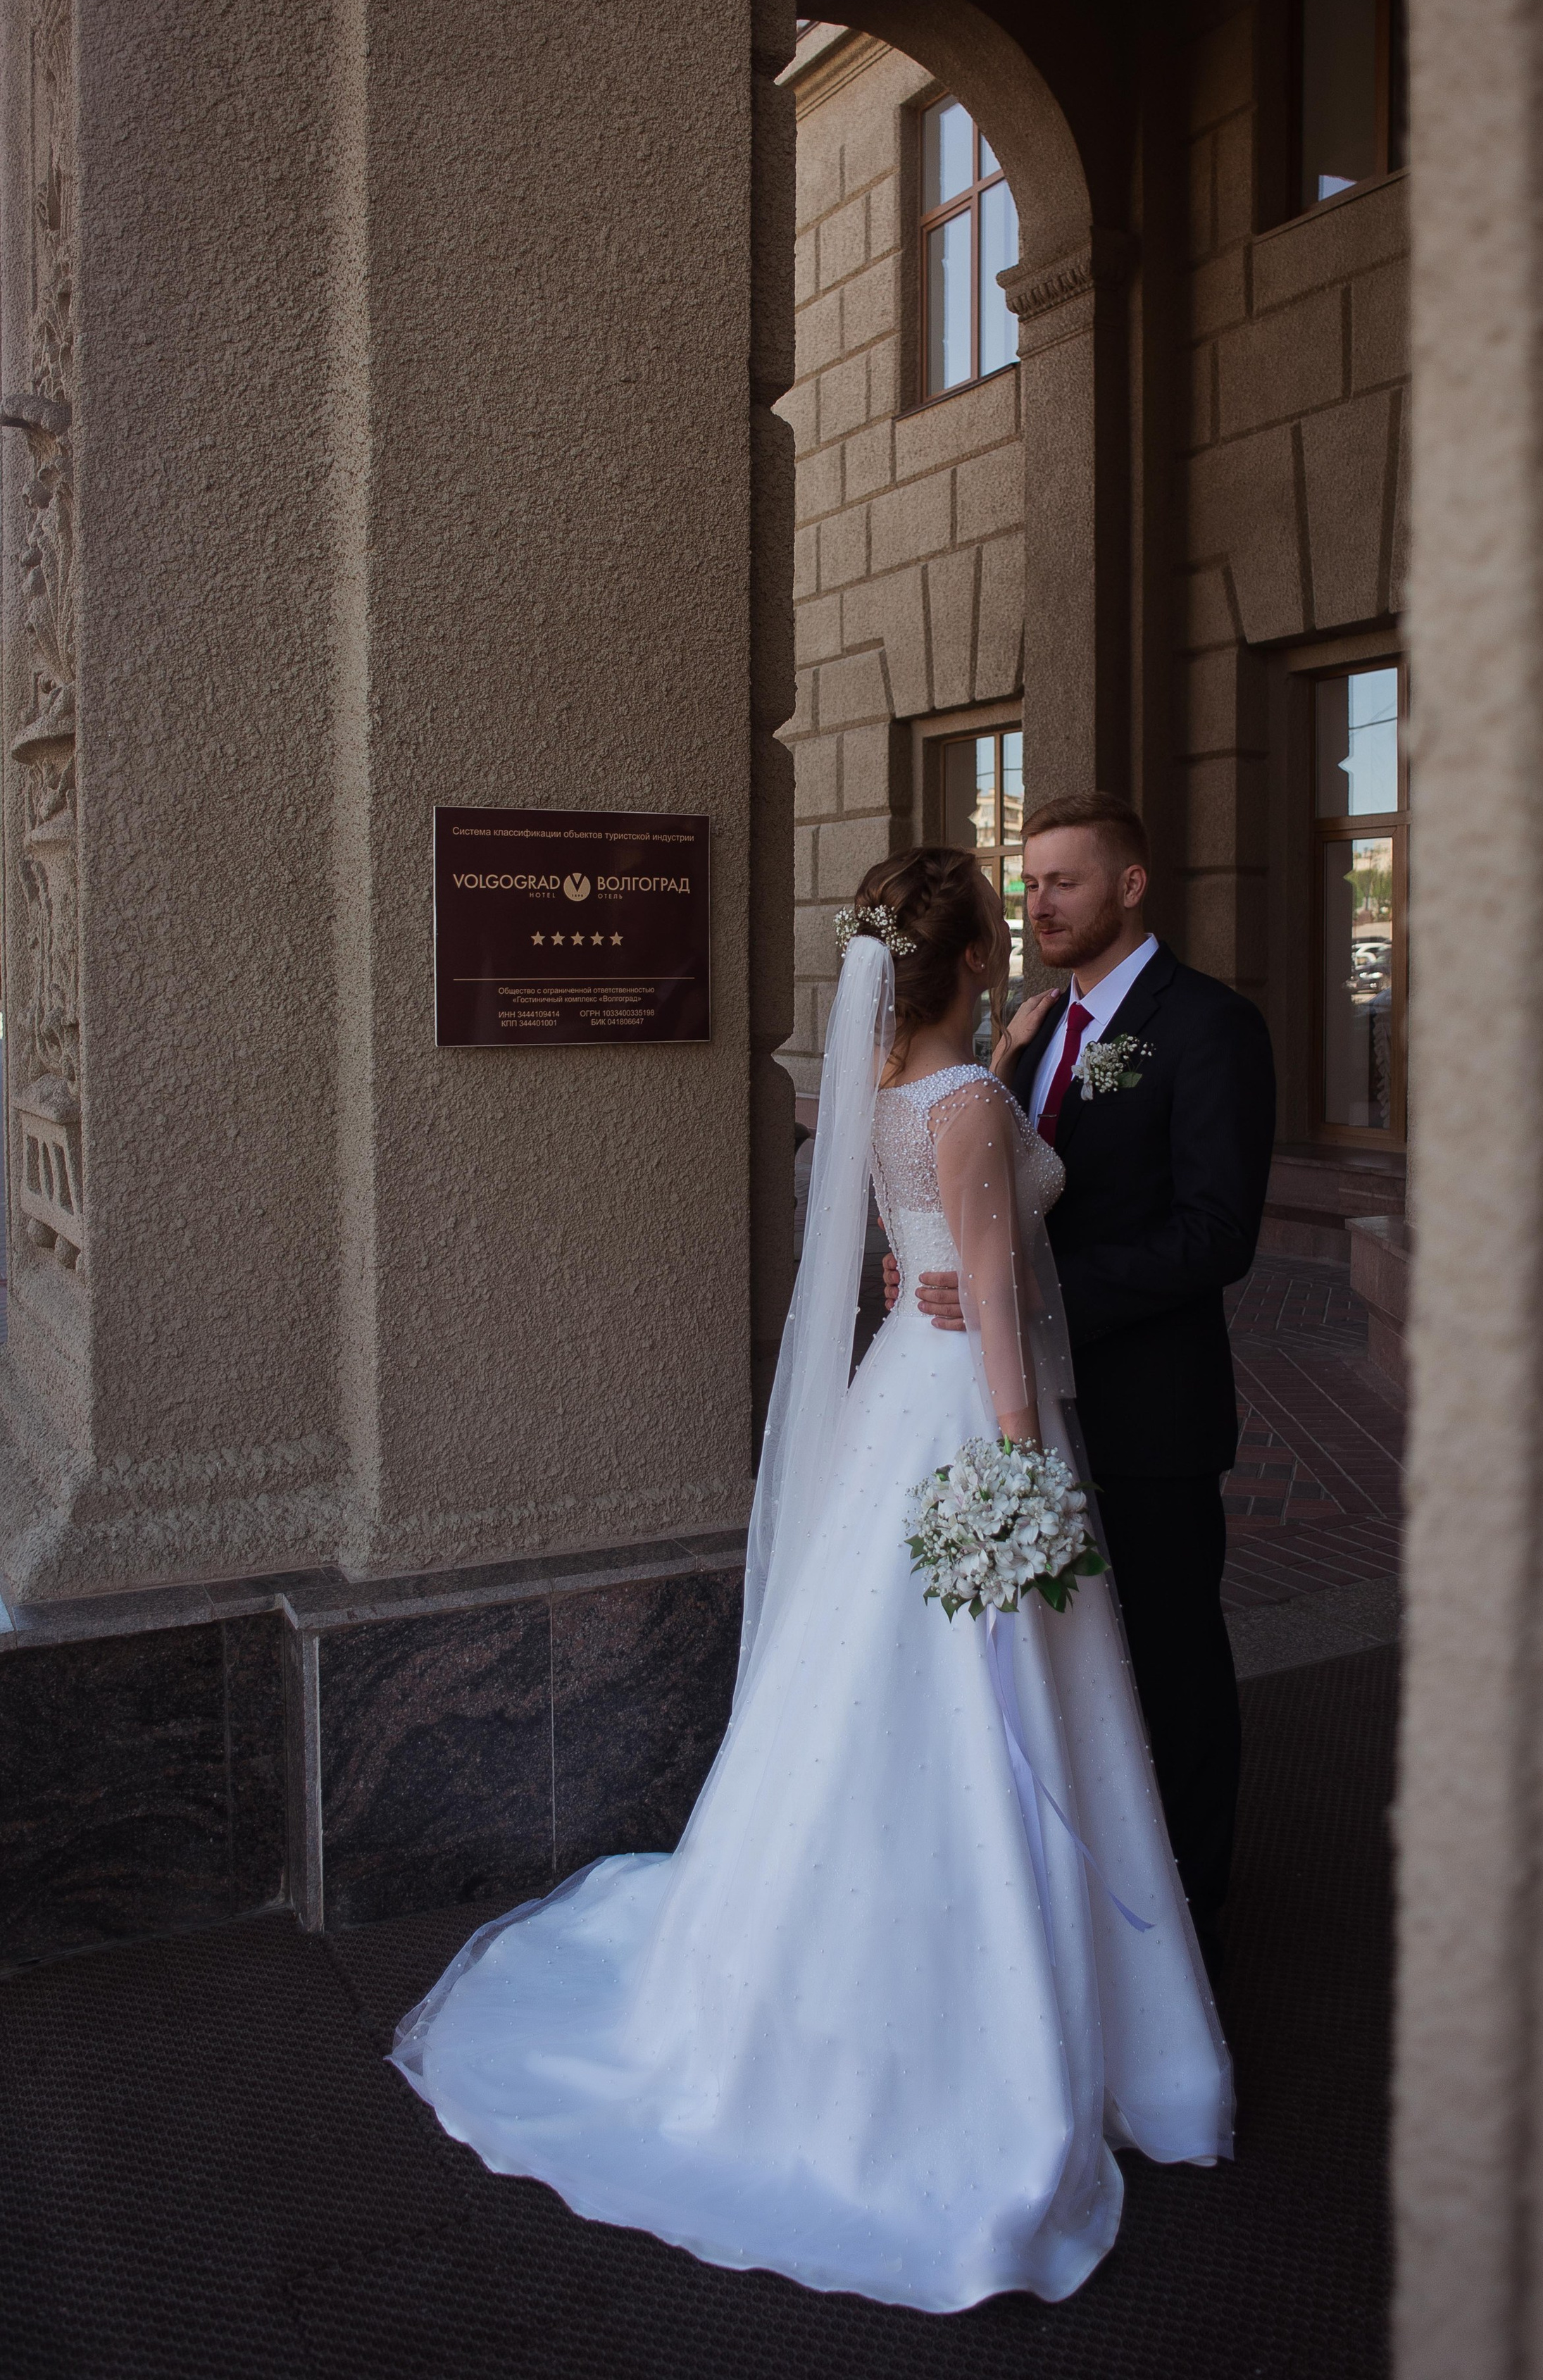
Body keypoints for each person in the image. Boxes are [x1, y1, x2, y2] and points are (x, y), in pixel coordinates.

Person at [391, 846, 1232, 2312]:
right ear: (973, 961)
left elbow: (929, 1250)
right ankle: (1012, 2028)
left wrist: (1011, 1060)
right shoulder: (965, 1103)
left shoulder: (889, 1098)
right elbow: (992, 1300)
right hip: (963, 1411)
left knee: (859, 1700)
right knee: (996, 1708)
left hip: (891, 1395)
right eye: (1001, 920)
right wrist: (1024, 1482)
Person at [892, 796, 1275, 1976]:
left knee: (1169, 1663)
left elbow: (1217, 1237)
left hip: (1146, 1408)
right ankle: (1078, 1902)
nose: (1041, 902)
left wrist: (1034, 1294)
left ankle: (1194, 1917)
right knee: (1069, 1675)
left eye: (1066, 881)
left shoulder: (1210, 1026)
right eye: (1031, 882)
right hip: (1025, 1399)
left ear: (1131, 886)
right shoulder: (1032, 1028)